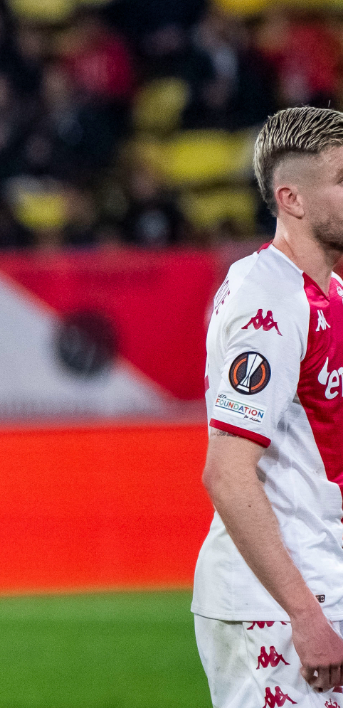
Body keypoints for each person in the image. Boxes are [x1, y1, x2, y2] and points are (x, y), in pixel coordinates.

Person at [195, 106, 343, 706]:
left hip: (318, 582)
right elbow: (227, 474)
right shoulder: (270, 304)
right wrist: (304, 615)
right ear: (292, 199)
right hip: (276, 611)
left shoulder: (330, 293)